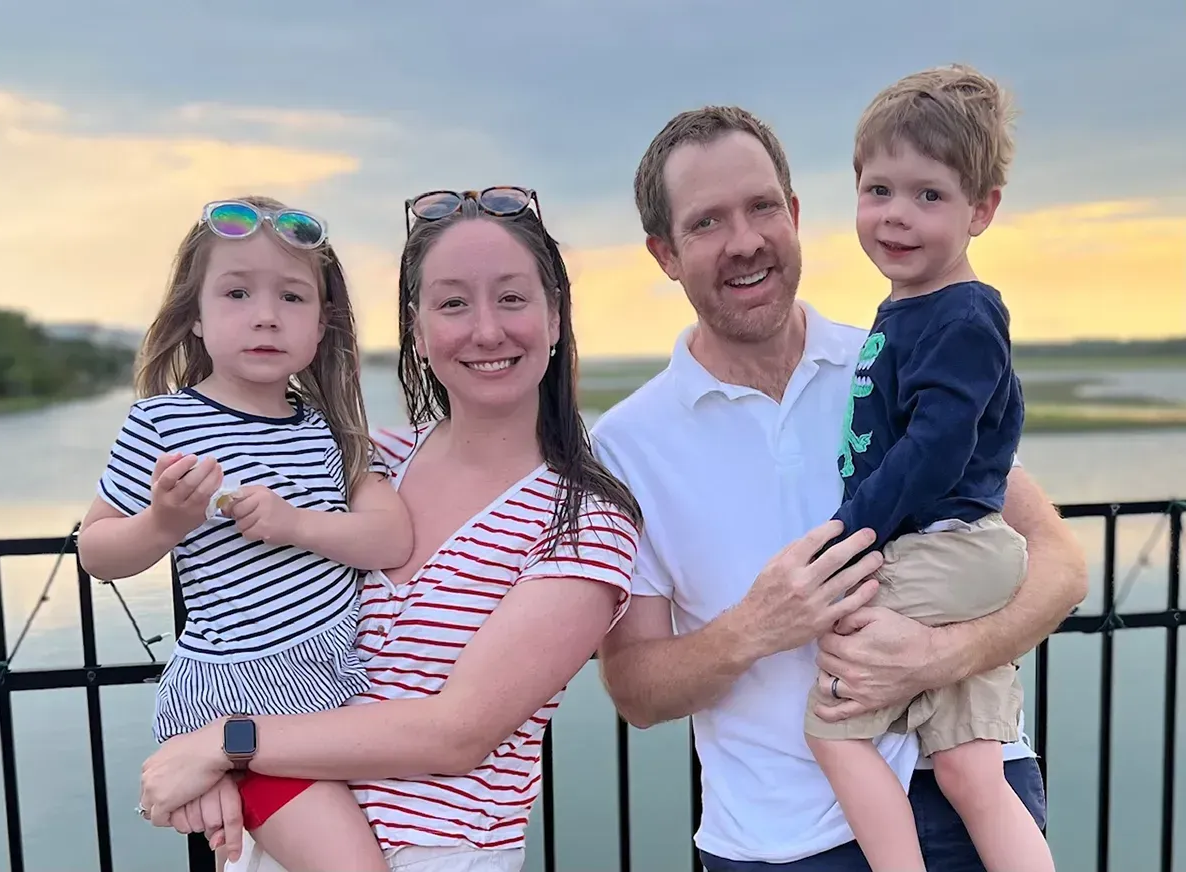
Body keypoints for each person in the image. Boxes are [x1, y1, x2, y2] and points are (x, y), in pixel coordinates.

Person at [591, 105, 1088, 870]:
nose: (746, 241)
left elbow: (1059, 563)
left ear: (794, 214)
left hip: (968, 793)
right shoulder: (626, 445)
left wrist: (938, 655)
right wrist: (755, 626)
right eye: (707, 223)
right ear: (663, 253)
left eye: (762, 208)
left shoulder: (894, 353)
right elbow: (635, 688)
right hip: (779, 842)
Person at [136, 185, 643, 872]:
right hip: (278, 832)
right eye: (454, 302)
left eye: (513, 298)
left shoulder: (585, 520)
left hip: (440, 855)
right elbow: (238, 616)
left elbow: (454, 734)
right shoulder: (362, 461)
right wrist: (226, 772)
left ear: (555, 318)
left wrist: (223, 745)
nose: (486, 330)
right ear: (420, 328)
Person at [78, 196, 413, 871]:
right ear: (195, 317)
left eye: (291, 297)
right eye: (237, 292)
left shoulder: (328, 431)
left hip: (336, 691)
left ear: (322, 326)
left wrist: (296, 524)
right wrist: (163, 523)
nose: (265, 314)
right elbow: (97, 549)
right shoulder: (162, 423)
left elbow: (391, 538)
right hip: (240, 695)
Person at [800, 65, 1056, 872]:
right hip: (962, 549)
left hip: (943, 547)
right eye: (879, 191)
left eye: (929, 196)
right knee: (971, 766)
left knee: (831, 733)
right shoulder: (914, 305)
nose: (897, 216)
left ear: (983, 209)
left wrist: (849, 530)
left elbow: (937, 446)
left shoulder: (963, 312)